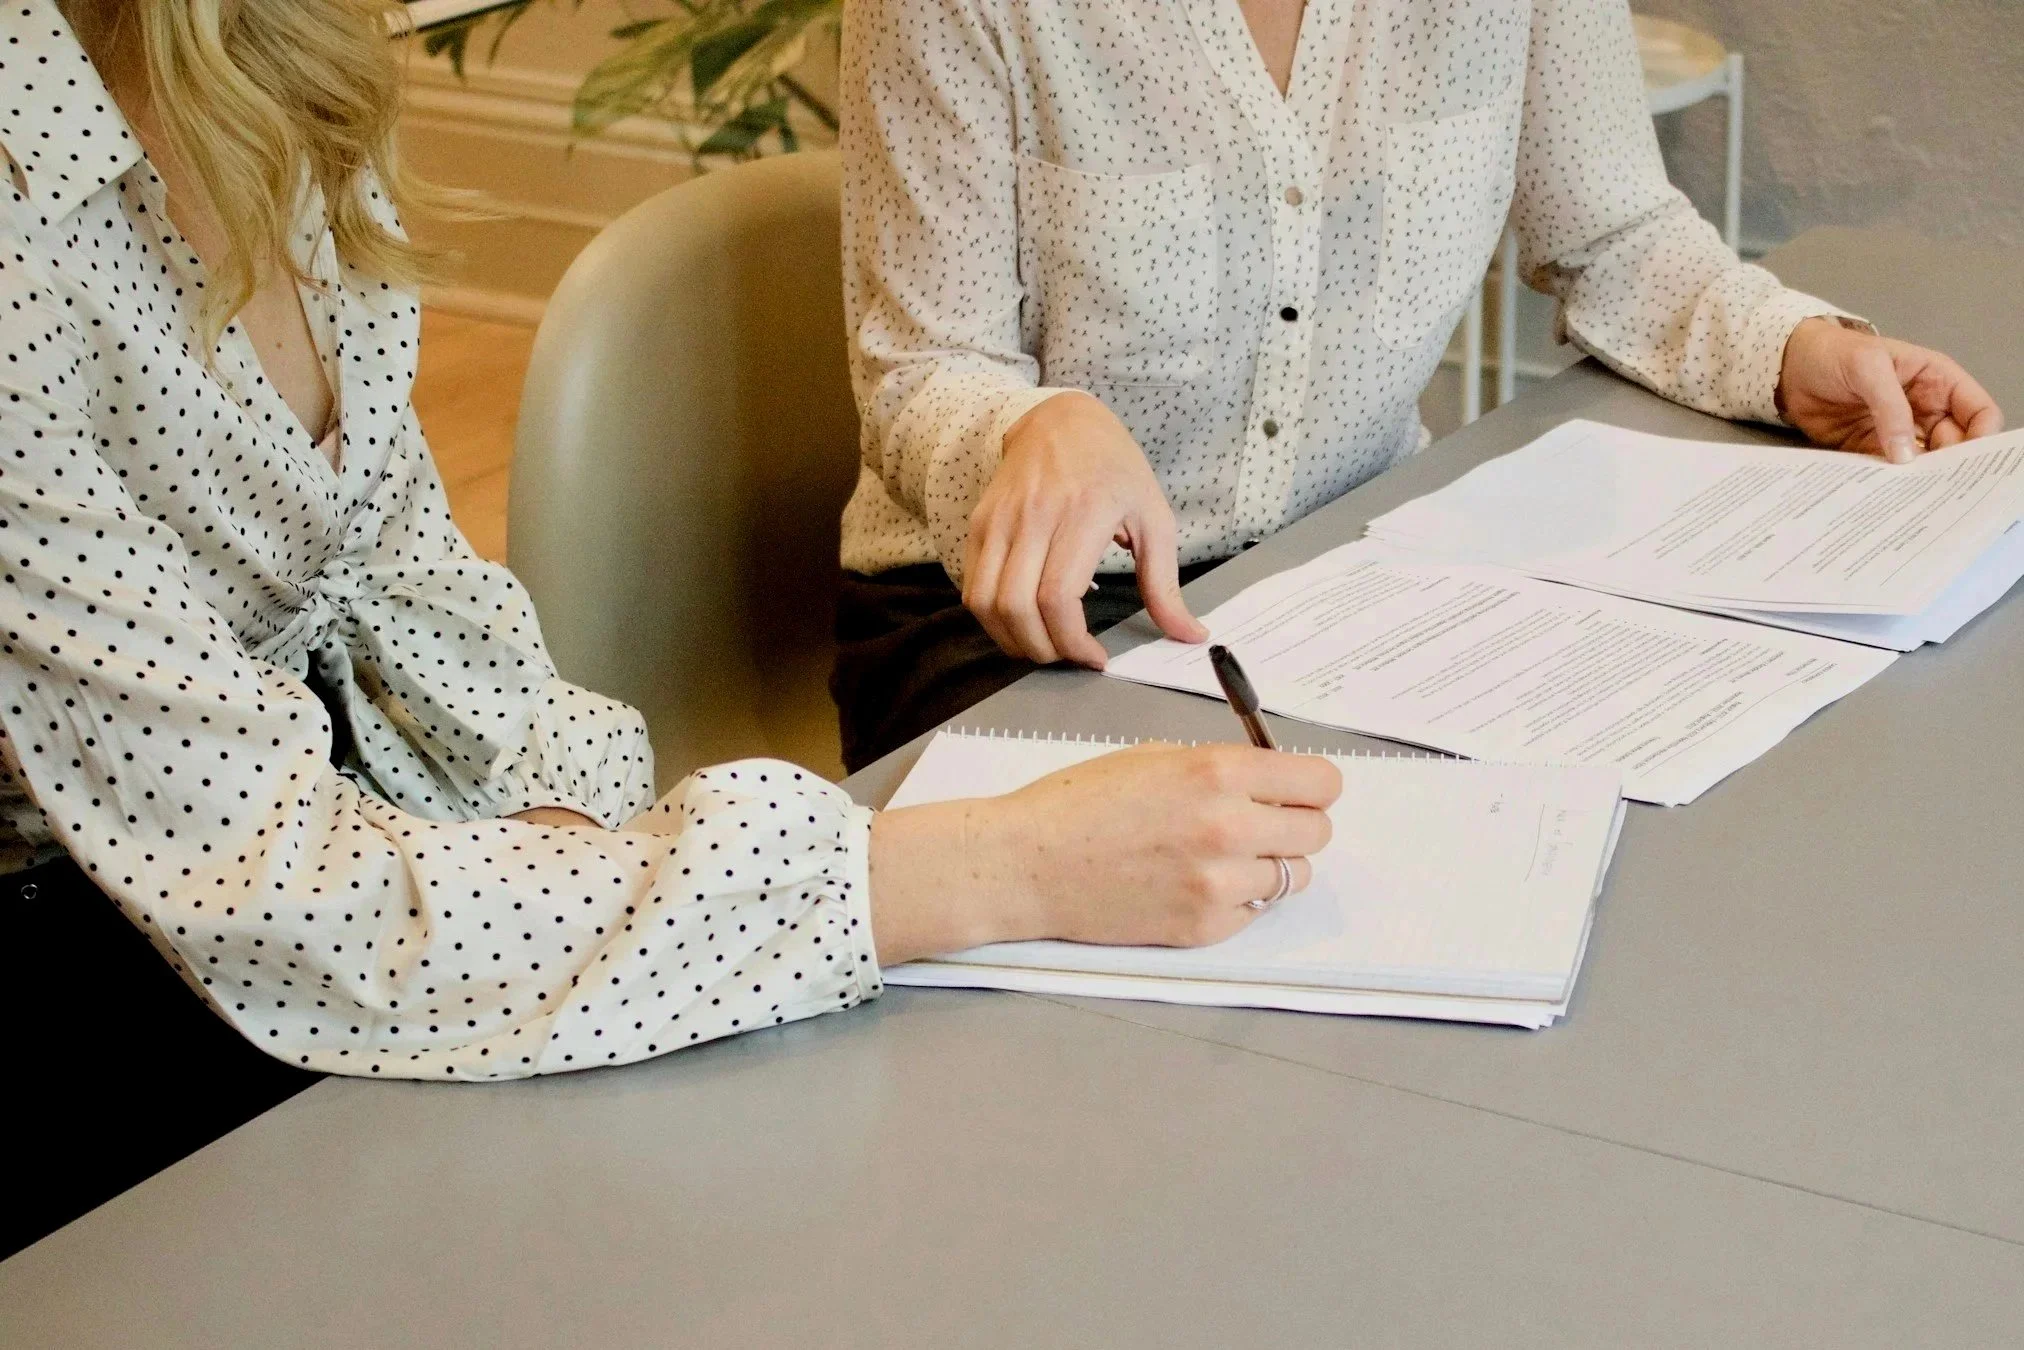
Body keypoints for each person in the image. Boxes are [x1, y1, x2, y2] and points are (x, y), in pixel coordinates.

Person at [0, 0, 1341, 1257]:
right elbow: (283, 896)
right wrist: (1003, 868)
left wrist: (576, 841)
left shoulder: (272, 65)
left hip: (320, 872)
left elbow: (412, 596)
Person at [830, 0, 2005, 770]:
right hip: (1016, 622)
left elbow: (1611, 231)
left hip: (1348, 582)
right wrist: (1032, 428)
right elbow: (921, 367)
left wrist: (1790, 349)